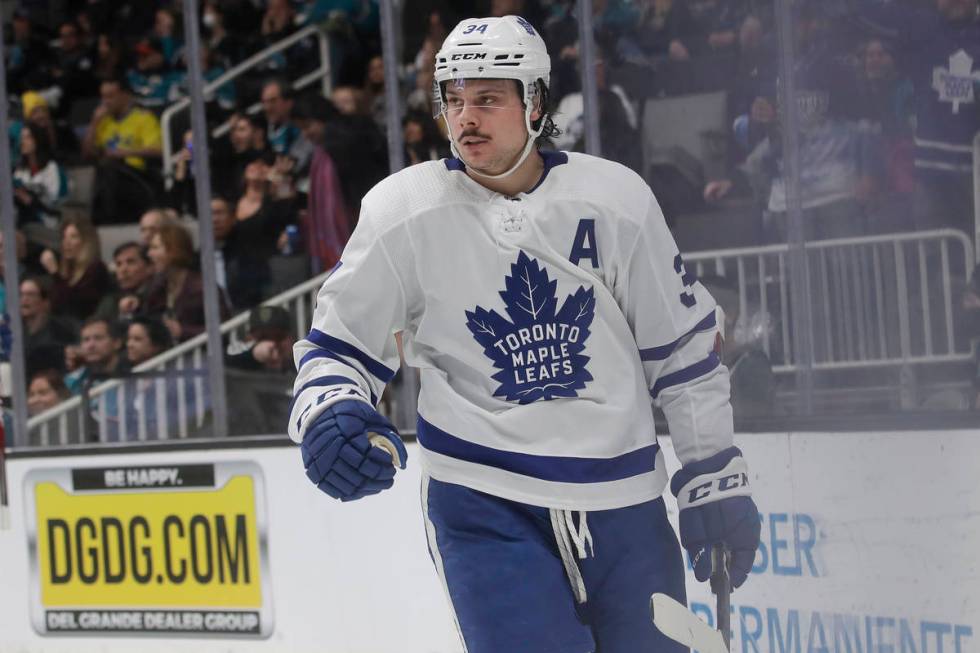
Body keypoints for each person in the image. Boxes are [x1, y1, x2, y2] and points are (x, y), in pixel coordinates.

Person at [289, 15, 761, 653]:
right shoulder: (403, 211)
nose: (466, 118)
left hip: (625, 504)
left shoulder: (614, 200)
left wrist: (711, 470)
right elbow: (337, 348)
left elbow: (680, 350)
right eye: (453, 100)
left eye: (487, 98)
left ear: (536, 102)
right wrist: (328, 410)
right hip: (485, 503)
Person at [82, 76, 163, 224]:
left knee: (109, 167)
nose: (105, 101)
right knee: (103, 169)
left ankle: (108, 221)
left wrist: (124, 153)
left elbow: (158, 150)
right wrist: (94, 123)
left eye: (110, 96)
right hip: (110, 175)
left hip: (139, 176)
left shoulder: (143, 118)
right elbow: (87, 154)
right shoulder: (103, 122)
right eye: (103, 97)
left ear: (125, 95)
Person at [40, 216, 112, 323]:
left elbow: (75, 307)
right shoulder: (67, 273)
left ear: (87, 241)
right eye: (64, 237)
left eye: (73, 237)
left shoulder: (96, 268)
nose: (66, 242)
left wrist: (54, 272)